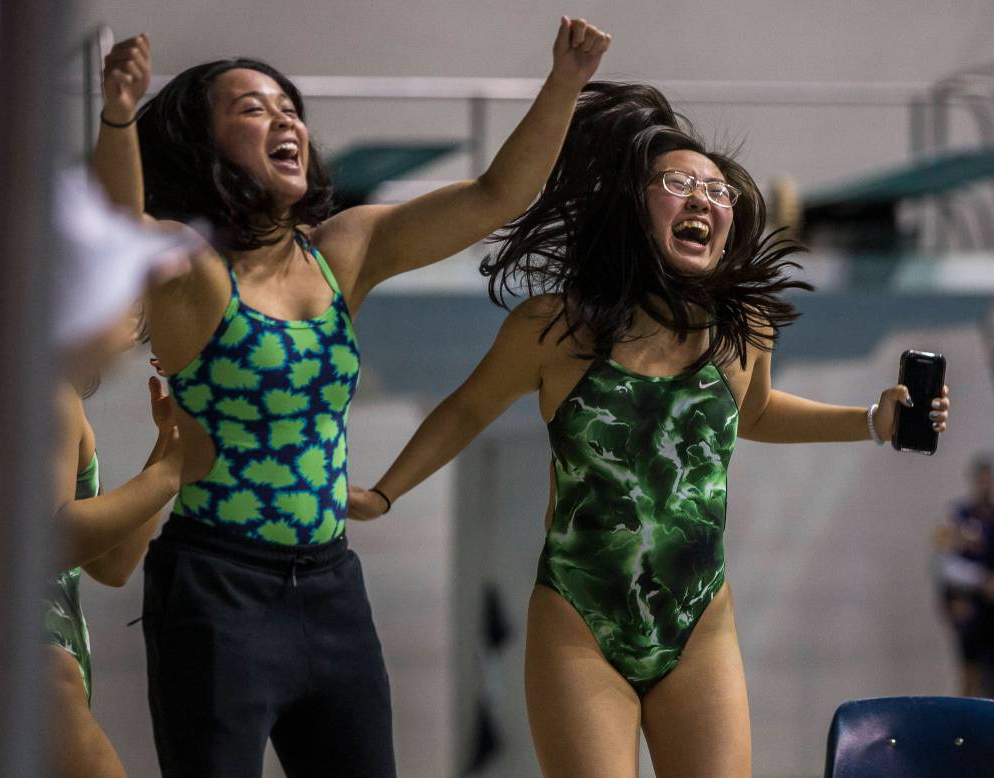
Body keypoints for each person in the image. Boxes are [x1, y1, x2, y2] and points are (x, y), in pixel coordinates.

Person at [348, 81, 953, 778]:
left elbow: (752, 413)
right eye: (678, 183)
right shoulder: (556, 328)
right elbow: (466, 408)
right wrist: (385, 493)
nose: (703, 198)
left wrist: (872, 421)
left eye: (718, 191)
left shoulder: (743, 330)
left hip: (698, 626)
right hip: (581, 623)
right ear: (633, 209)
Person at [93, 19, 611, 777]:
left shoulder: (342, 252)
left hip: (332, 587)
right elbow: (118, 231)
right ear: (202, 150)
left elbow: (497, 195)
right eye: (252, 109)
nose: (285, 119)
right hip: (217, 590)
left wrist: (564, 82)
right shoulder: (196, 272)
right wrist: (116, 117)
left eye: (289, 106)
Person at [47, 311, 181, 778]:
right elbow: (51, 541)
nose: (138, 312)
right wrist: (174, 469)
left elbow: (110, 563)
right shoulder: (47, 396)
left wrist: (168, 445)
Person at [933, 454, 994, 697]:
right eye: (984, 480)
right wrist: (982, 582)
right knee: (971, 674)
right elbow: (944, 563)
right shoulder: (957, 516)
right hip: (974, 607)